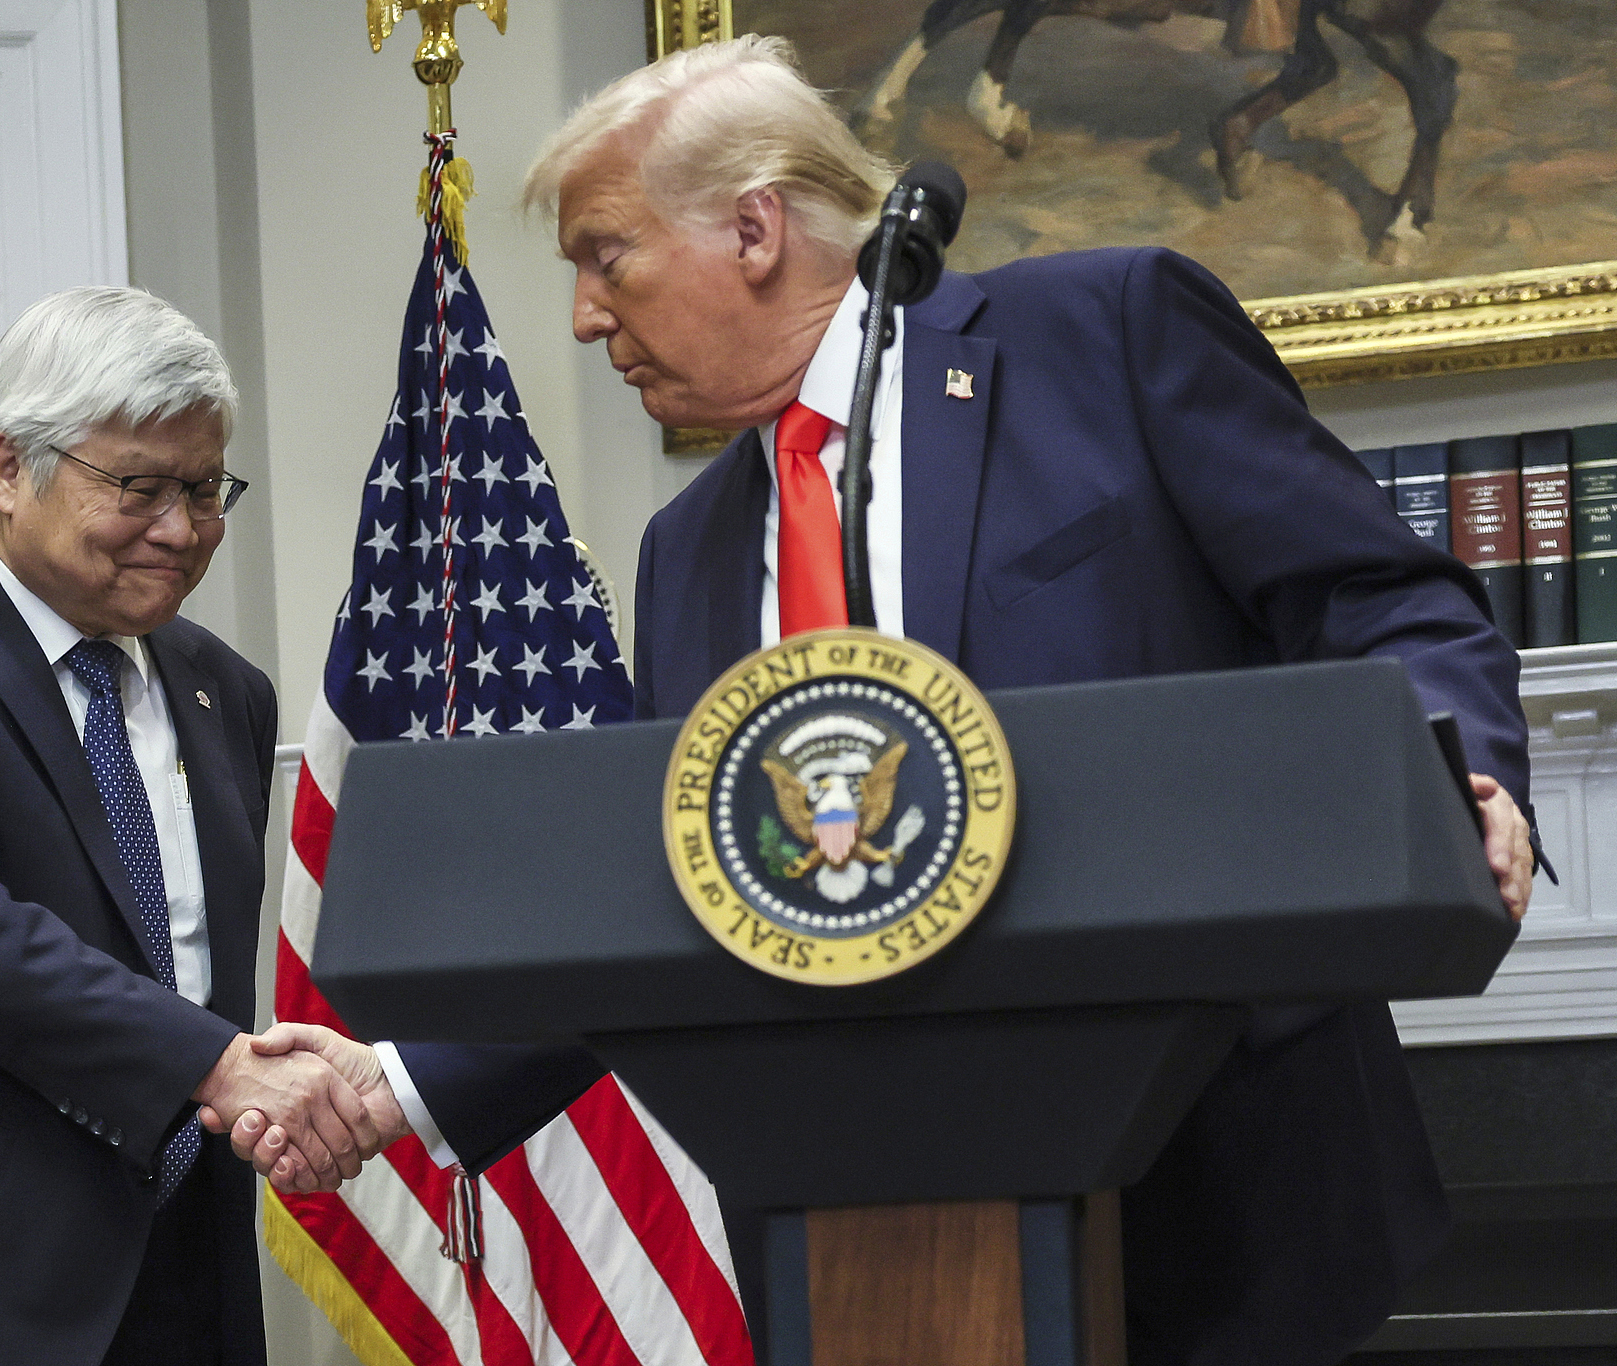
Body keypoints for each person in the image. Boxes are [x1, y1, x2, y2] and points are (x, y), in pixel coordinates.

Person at [241, 36, 1538, 1366]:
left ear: (752, 229)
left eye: (604, 255)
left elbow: (1383, 596)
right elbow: (679, 899)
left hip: (1224, 1178)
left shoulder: (1107, 332)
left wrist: (1467, 783)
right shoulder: (686, 552)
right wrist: (395, 1080)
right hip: (861, 1233)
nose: (582, 313)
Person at [0, 287, 390, 1366]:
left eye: (203, 488)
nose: (183, 530)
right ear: (10, 469)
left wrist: (265, 1085)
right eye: (139, 487)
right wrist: (224, 1065)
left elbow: (191, 968)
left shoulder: (221, 688)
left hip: (182, 1271)